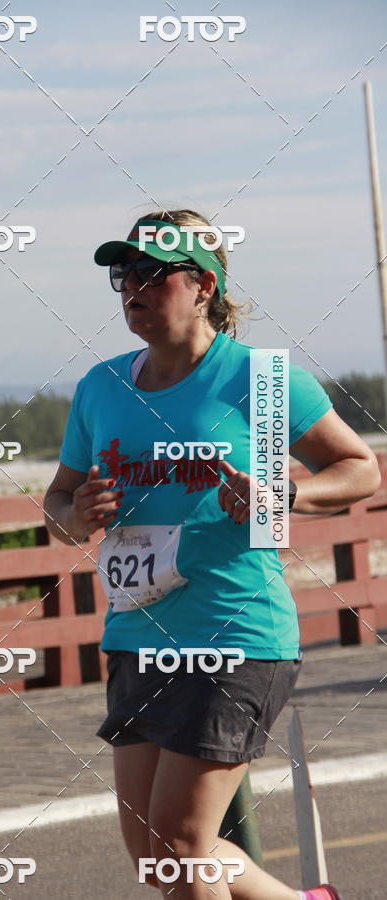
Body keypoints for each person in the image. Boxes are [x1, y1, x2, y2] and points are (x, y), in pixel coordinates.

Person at [43, 208, 380, 900]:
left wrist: (283, 496)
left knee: (182, 843)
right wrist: (76, 516)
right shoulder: (101, 386)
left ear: (204, 287)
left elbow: (360, 469)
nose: (131, 288)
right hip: (137, 632)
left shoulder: (258, 378)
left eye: (150, 274)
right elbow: (57, 502)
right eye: (122, 274)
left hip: (235, 629)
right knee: (154, 858)